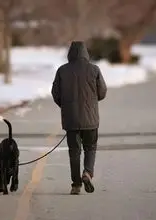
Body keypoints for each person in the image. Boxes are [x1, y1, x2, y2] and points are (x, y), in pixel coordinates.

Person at [51, 41, 107, 195]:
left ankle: (76, 185)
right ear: (85, 53)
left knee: (74, 152)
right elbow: (102, 92)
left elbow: (55, 93)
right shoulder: (94, 69)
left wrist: (66, 106)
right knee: (90, 148)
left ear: (70, 53)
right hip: (91, 119)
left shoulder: (62, 71)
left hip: (71, 120)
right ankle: (87, 173)